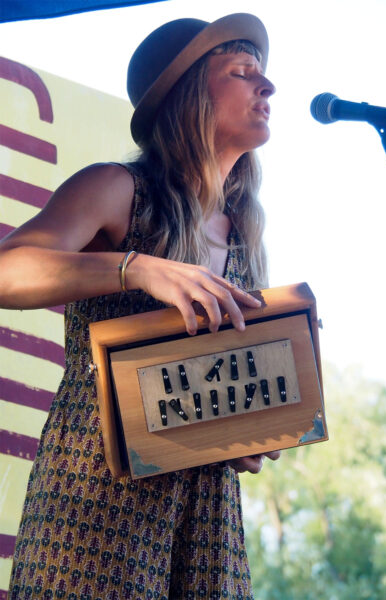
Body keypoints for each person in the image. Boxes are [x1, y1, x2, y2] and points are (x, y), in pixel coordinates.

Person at [2, 13, 278, 599]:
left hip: (206, 520)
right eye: (242, 71)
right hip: (95, 498)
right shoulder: (116, 187)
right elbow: (6, 272)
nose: (268, 86)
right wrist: (137, 266)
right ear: (189, 96)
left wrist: (254, 426)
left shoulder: (247, 237)